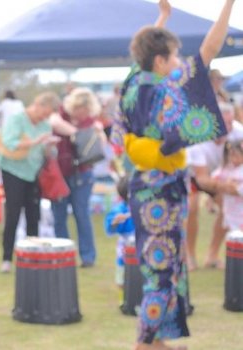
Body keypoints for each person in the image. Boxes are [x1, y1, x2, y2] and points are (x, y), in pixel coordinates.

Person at [114, 0, 236, 348]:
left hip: (144, 187)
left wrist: (163, 18)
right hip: (163, 191)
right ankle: (144, 342)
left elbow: (142, 49)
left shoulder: (134, 83)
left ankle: (159, 340)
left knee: (164, 267)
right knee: (163, 275)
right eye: (174, 56)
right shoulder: (167, 89)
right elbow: (209, 50)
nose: (180, 62)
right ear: (160, 62)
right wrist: (229, 4)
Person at [0, 91, 62, 273]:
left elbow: (46, 153)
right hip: (13, 171)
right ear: (37, 104)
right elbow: (9, 143)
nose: (45, 117)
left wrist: (49, 147)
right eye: (44, 113)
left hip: (34, 172)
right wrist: (35, 142)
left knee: (34, 214)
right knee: (13, 213)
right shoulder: (17, 119)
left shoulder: (45, 125)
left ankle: (33, 255)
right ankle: (7, 257)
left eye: (48, 115)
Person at [185, 103, 241, 270]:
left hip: (220, 177)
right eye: (225, 125)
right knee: (191, 208)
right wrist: (228, 186)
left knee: (228, 209)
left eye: (231, 123)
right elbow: (202, 179)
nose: (229, 128)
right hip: (193, 177)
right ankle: (189, 255)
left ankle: (212, 255)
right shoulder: (197, 140)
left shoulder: (238, 133)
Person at [52, 88, 102, 268]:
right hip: (60, 174)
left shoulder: (92, 122)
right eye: (81, 109)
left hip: (82, 174)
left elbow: (99, 143)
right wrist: (78, 132)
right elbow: (55, 124)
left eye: (87, 111)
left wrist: (93, 133)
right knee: (59, 216)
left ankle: (88, 257)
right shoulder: (59, 116)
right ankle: (63, 254)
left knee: (82, 215)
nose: (84, 114)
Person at [105, 177, 135, 289]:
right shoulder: (119, 210)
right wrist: (115, 222)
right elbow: (110, 228)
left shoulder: (140, 206)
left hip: (139, 241)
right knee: (122, 263)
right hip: (125, 243)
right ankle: (121, 284)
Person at [212, 141, 243, 231]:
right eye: (231, 156)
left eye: (237, 156)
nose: (234, 159)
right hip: (229, 209)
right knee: (231, 236)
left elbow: (237, 190)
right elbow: (214, 180)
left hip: (240, 210)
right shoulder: (226, 169)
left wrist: (232, 188)